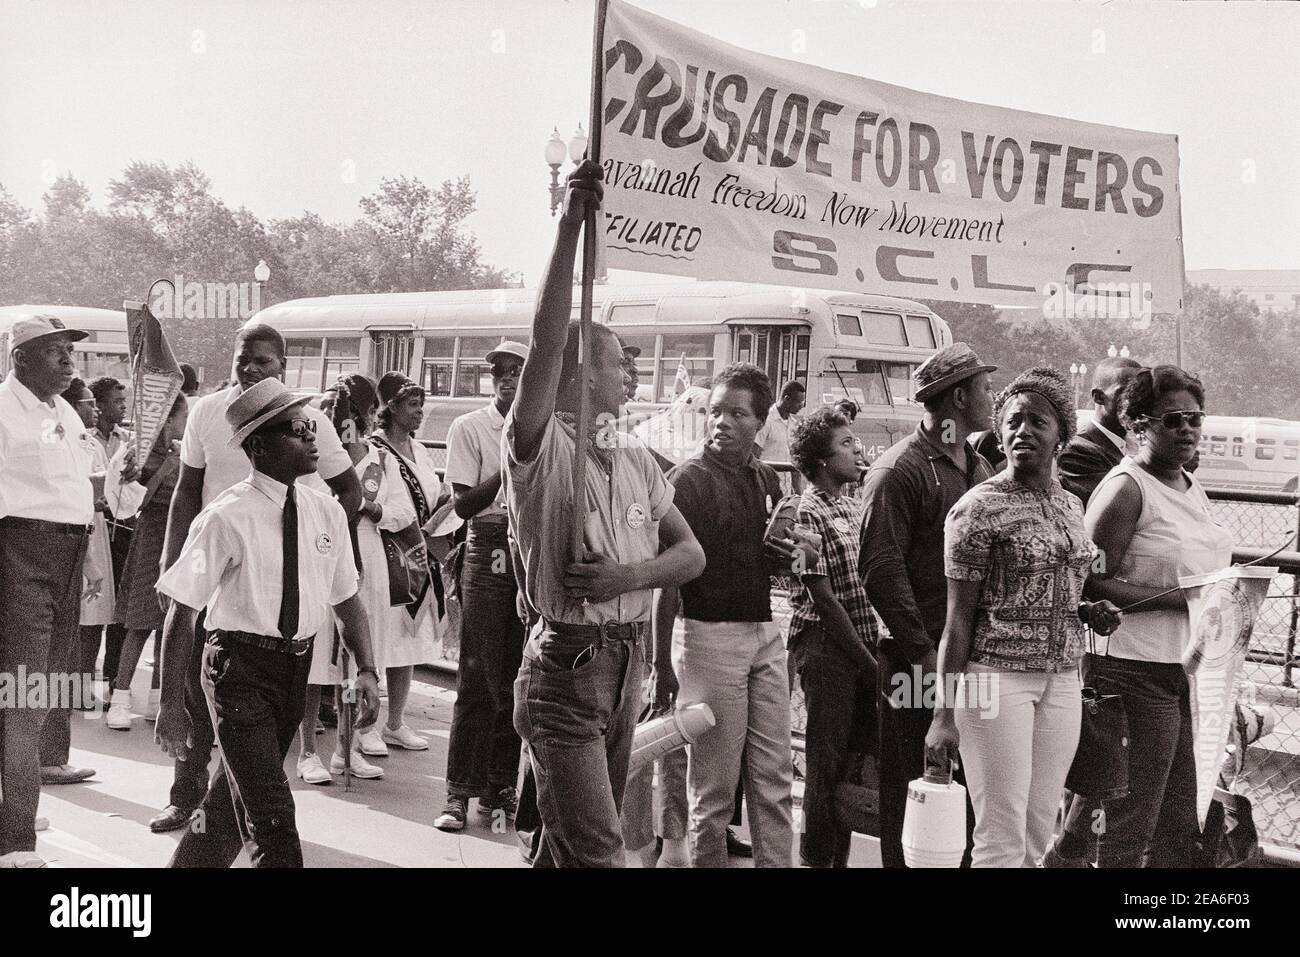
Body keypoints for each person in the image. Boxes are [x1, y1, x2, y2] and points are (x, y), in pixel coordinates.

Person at [506, 159, 705, 868]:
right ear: (584, 372)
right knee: (599, 852)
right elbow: (544, 345)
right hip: (565, 672)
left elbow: (691, 556)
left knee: (564, 851)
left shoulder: (633, 456)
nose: (632, 375)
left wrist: (626, 577)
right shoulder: (540, 447)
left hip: (625, 670)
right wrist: (568, 230)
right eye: (621, 362)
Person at [154, 378, 381, 867]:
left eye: (310, 426)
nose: (311, 436)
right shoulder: (225, 516)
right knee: (272, 818)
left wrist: (367, 670)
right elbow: (183, 608)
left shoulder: (326, 512)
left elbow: (347, 599)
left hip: (292, 672)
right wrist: (172, 702)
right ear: (259, 445)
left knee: (226, 808)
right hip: (238, 671)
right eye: (297, 429)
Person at [924, 368, 1122, 867]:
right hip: (996, 681)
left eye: (1038, 421)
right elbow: (958, 620)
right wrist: (943, 716)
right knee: (1000, 833)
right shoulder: (977, 509)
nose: (1023, 432)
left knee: (1037, 831)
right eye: (1012, 422)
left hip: (1062, 682)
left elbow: (1044, 586)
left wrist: (1084, 610)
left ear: (1062, 434)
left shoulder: (1070, 504)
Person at [1053, 366, 1233, 868]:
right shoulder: (1126, 489)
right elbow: (1086, 579)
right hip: (1133, 672)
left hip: (1185, 670)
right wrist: (1179, 596)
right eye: (1172, 419)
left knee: (1178, 816)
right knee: (1124, 819)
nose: (1187, 430)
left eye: (1195, 418)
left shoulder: (1188, 484)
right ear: (1137, 425)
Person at [652, 363, 819, 868]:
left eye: (736, 413)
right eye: (715, 411)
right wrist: (662, 666)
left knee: (774, 780)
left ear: (760, 422)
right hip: (707, 639)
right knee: (714, 791)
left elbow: (777, 562)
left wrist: (798, 549)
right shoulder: (686, 481)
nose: (721, 421)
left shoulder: (766, 479)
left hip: (764, 634)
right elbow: (667, 584)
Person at [858, 342, 996, 868]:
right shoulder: (899, 472)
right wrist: (922, 656)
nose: (993, 396)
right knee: (914, 792)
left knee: (965, 791)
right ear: (959, 398)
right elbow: (881, 571)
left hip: (972, 660)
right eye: (985, 388)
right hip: (916, 661)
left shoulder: (979, 467)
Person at [0, 315, 95, 867]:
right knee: (23, 692)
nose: (68, 362)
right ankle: (15, 839)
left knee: (44, 686)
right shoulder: (3, 409)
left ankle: (16, 804)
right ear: (21, 358)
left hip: (67, 555)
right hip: (19, 552)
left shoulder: (64, 414)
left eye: (70, 352)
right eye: (56, 352)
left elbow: (76, 493)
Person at [435, 341, 530, 831]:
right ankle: (458, 793)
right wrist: (508, 465)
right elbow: (465, 505)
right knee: (476, 674)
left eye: (517, 371)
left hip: (527, 548)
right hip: (487, 542)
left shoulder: (544, 427)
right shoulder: (470, 427)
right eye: (500, 373)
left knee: (519, 676)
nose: (507, 380)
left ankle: (500, 788)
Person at [787, 407, 879, 867]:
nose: (856, 448)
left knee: (850, 767)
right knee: (825, 766)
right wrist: (869, 663)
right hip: (829, 652)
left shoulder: (850, 503)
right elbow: (822, 598)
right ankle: (816, 860)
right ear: (821, 460)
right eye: (845, 443)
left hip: (861, 650)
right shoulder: (806, 514)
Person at [348, 371, 444, 764]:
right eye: (412, 404)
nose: (420, 412)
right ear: (389, 408)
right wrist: (388, 515)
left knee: (410, 639)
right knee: (379, 635)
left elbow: (427, 497)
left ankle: (396, 721)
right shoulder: (375, 450)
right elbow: (385, 506)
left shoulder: (420, 451)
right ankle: (364, 727)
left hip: (416, 550)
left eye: (421, 404)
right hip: (385, 552)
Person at [297, 372, 383, 784]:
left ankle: (344, 750)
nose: (329, 414)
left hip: (341, 553)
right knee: (313, 659)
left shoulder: (361, 458)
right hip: (308, 554)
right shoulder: (301, 446)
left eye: (339, 411)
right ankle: (307, 752)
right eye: (326, 405)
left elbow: (353, 500)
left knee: (346, 658)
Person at [103, 395, 188, 731]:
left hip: (178, 544)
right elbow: (126, 503)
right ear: (169, 420)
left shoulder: (183, 455)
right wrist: (148, 469)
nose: (184, 426)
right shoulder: (138, 455)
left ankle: (157, 697)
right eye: (182, 418)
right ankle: (120, 698)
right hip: (150, 541)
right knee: (139, 624)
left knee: (170, 624)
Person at [36, 378, 106, 786]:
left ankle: (38, 765)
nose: (92, 409)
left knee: (52, 666)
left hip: (68, 554)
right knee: (42, 669)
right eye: (87, 402)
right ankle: (39, 764)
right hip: (41, 560)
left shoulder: (76, 439)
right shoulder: (43, 432)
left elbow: (83, 504)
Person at [87, 375, 133, 704]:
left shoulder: (128, 440)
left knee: (120, 613)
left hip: (125, 531)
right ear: (99, 405)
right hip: (97, 532)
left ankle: (113, 681)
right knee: (92, 610)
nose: (123, 406)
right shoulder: (84, 437)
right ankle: (83, 679)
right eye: (117, 401)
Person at [1058, 356, 1144, 505]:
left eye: (1140, 394)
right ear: (1098, 397)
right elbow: (1119, 505)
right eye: (1124, 394)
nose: (1136, 402)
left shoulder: (1139, 443)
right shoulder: (1076, 450)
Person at [754, 380, 806, 489]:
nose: (801, 406)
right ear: (787, 399)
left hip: (785, 492)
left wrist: (798, 495)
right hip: (765, 488)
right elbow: (754, 457)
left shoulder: (794, 424)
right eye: (799, 403)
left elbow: (794, 462)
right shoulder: (766, 421)